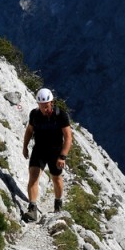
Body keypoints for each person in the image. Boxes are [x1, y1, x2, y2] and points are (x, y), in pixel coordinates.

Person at [22, 87, 72, 221]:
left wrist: (62, 156)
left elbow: (68, 137)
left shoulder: (61, 115)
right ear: (38, 104)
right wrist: (25, 147)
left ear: (52, 102)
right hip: (39, 149)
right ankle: (32, 209)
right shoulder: (34, 114)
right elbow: (29, 131)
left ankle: (58, 203)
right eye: (41, 105)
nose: (45, 108)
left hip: (55, 151)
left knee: (56, 178)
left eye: (47, 105)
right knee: (33, 176)